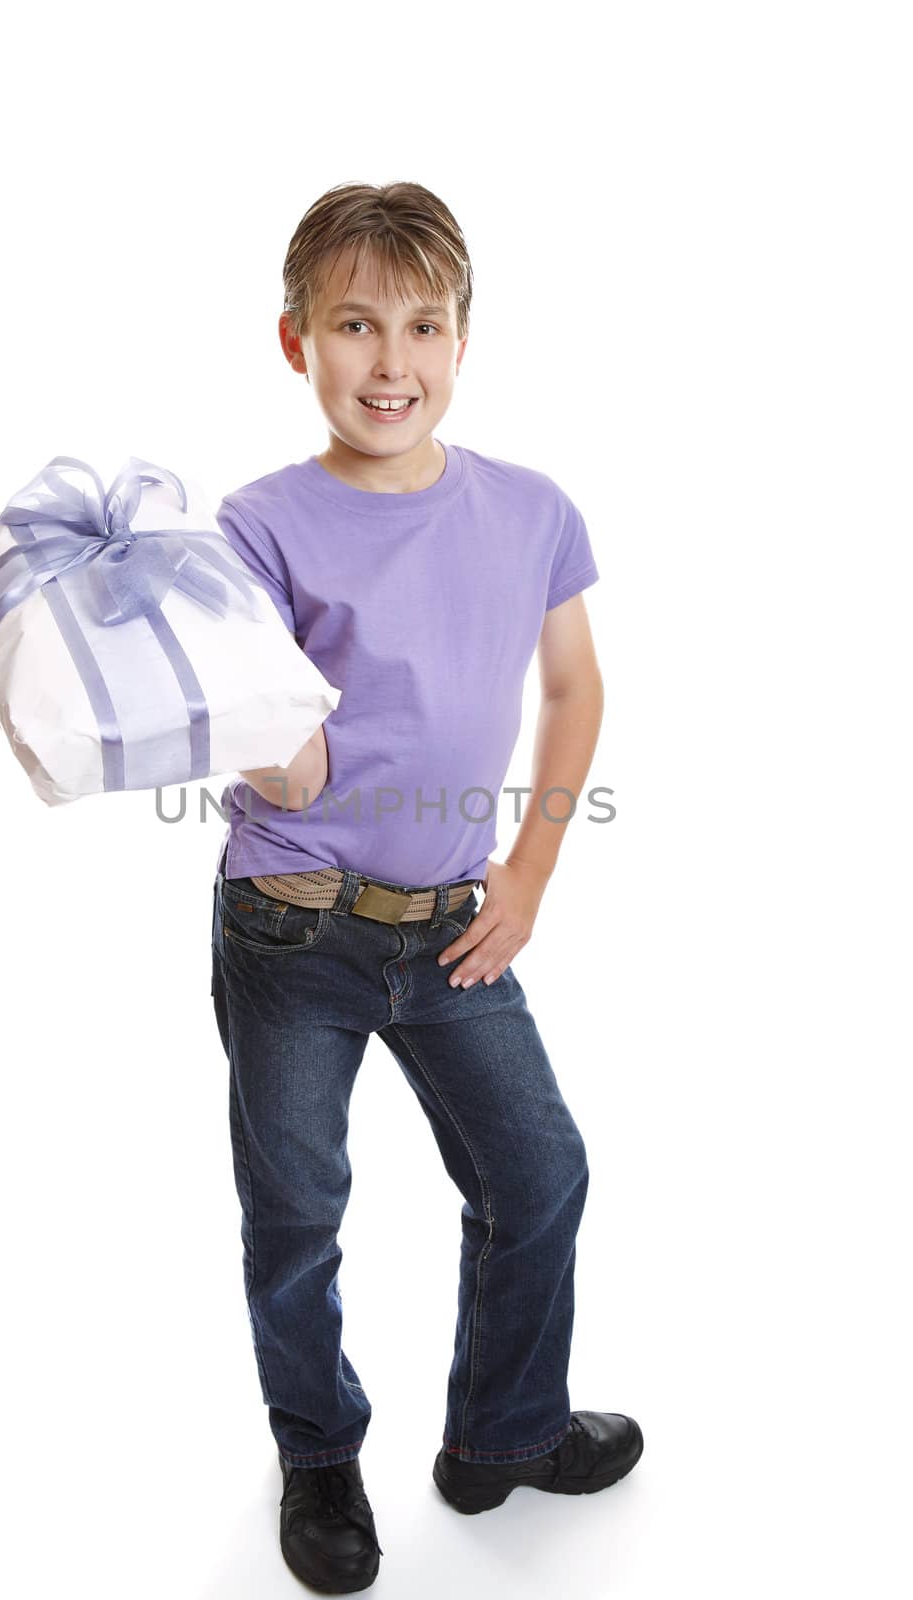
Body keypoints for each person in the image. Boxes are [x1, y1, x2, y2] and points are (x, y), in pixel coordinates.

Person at [209, 180, 643, 1594]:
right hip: (293, 928)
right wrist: (254, 736)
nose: (388, 361)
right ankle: (320, 1454)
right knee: (297, 1209)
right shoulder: (256, 527)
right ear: (295, 344)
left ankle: (502, 1434)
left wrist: (528, 871)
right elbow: (294, 757)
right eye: (352, 325)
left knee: (540, 1172)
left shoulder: (531, 512)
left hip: (456, 924)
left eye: (421, 325)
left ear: (463, 342)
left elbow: (575, 688)